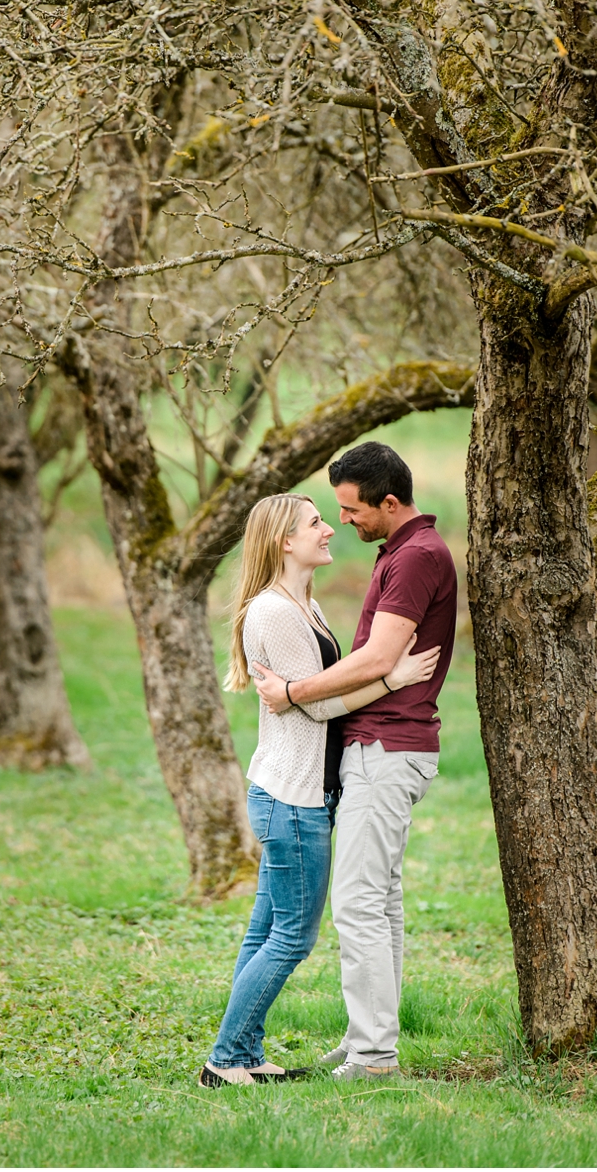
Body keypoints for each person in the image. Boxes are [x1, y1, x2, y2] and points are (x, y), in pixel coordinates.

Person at [199, 490, 440, 1089]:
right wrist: (393, 676)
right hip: (292, 797)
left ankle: (241, 1054)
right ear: (285, 540)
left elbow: (312, 691)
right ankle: (226, 1059)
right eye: (315, 523)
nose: (329, 529)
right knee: (291, 937)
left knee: (265, 930)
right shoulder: (275, 613)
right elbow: (318, 705)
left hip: (292, 792)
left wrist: (369, 676)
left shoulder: (300, 604)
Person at [253, 442, 457, 1083]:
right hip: (384, 746)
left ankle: (373, 1057)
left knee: (359, 903)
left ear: (388, 503)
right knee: (382, 901)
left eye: (349, 509)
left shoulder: (417, 556)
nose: (343, 520)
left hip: (386, 749)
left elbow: (376, 662)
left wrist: (290, 693)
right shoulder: (401, 552)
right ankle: (369, 1041)